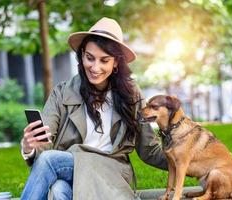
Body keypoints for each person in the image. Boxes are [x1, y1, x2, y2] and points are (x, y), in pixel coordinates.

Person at [20, 17, 167, 200]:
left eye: (104, 60)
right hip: (73, 167)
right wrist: (29, 148)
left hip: (111, 172)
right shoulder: (62, 93)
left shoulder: (131, 95)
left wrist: (193, 161)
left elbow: (149, 150)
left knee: (49, 160)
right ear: (82, 56)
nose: (95, 67)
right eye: (90, 58)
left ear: (116, 63)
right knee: (58, 189)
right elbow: (45, 141)